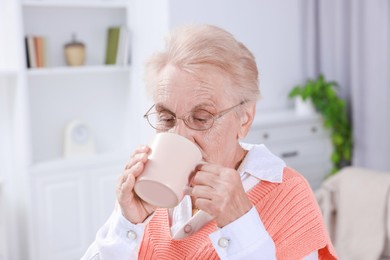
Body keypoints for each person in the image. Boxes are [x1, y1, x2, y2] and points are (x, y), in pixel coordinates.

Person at [82, 24, 337, 260]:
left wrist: (241, 225)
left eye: (202, 118)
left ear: (244, 119)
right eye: (166, 117)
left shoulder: (287, 193)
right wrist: (127, 224)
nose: (179, 136)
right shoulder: (150, 189)